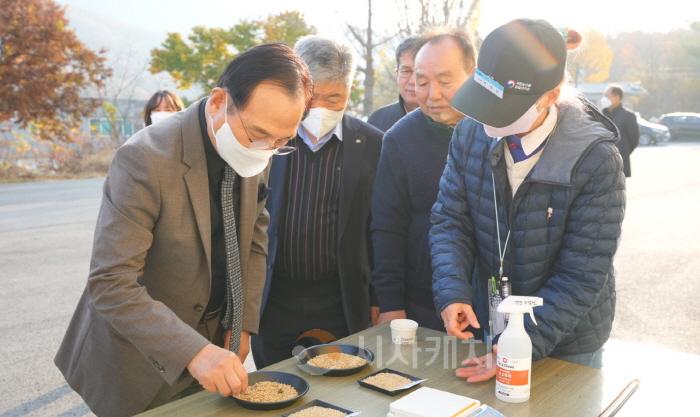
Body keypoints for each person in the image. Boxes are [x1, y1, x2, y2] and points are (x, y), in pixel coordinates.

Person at [55, 44, 312, 417]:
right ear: (219, 102)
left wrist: (242, 324)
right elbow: (111, 281)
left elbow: (255, 239)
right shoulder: (145, 159)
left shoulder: (260, 147)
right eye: (258, 134)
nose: (266, 150)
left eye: (281, 142)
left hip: (214, 348)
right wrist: (193, 351)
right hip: (138, 359)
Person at [430, 19, 626, 383]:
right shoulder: (469, 134)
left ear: (549, 97)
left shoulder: (594, 159)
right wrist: (451, 289)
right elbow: (449, 220)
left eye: (501, 108)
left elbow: (582, 274)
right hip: (493, 321)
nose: (486, 118)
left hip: (569, 340)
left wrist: (523, 343)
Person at [251, 36, 383, 368]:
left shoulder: (372, 144)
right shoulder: (267, 138)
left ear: (349, 92)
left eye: (334, 97)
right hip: (274, 296)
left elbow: (380, 228)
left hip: (339, 299)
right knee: (274, 383)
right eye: (313, 97)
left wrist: (379, 297)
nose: (321, 107)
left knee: (337, 388)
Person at [371, 31, 475, 331]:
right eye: (422, 81)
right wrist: (390, 304)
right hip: (424, 300)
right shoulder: (399, 140)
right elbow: (386, 226)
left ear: (473, 75)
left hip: (491, 297)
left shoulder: (497, 131)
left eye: (445, 81)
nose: (432, 94)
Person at [367, 36, 421, 131]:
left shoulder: (449, 121)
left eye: (420, 72)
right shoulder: (377, 120)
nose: (413, 81)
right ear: (397, 73)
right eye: (406, 71)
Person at [602, 85, 639, 177]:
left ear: (617, 97)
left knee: (618, 190)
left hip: (620, 160)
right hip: (601, 162)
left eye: (607, 96)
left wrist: (623, 152)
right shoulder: (601, 114)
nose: (604, 99)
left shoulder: (628, 116)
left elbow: (634, 140)